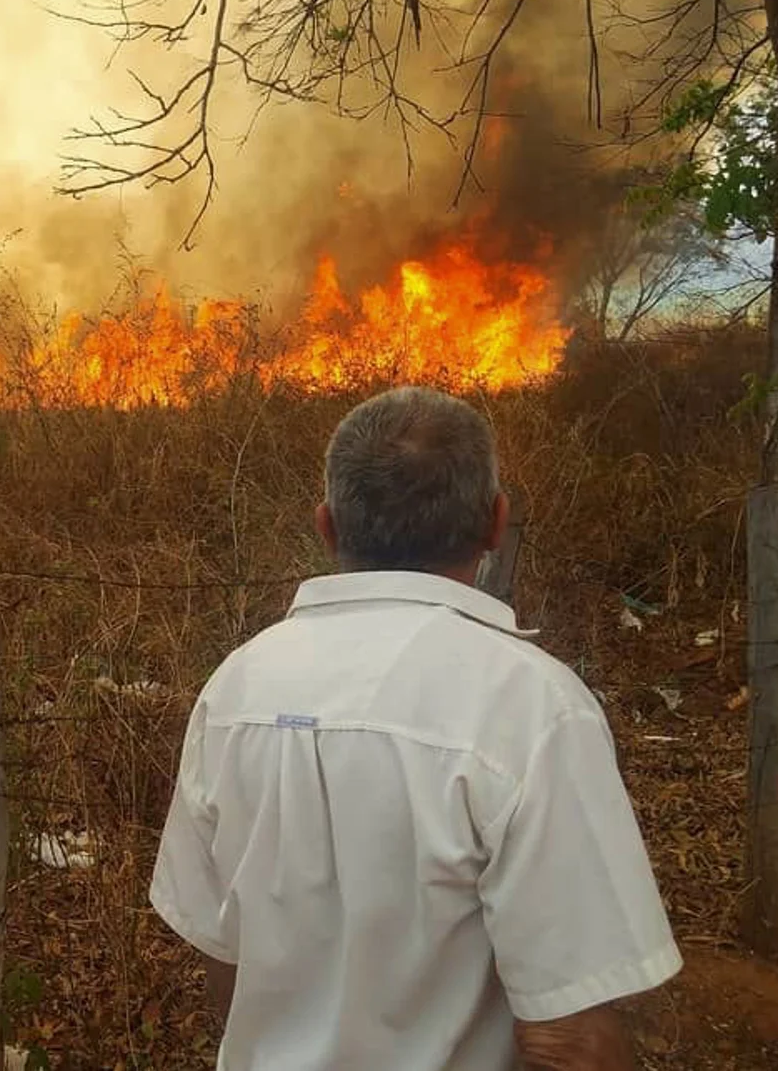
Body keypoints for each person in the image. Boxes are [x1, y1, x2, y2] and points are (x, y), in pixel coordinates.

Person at [149, 386, 681, 1070]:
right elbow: (570, 1037)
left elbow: (226, 957)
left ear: (327, 526)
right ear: (496, 521)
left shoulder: (236, 688)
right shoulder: (532, 706)